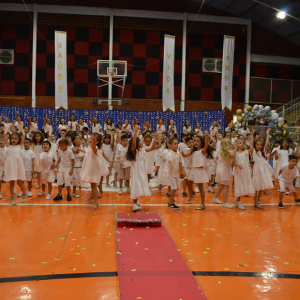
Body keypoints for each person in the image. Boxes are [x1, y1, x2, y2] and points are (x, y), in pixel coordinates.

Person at [127, 127, 158, 212]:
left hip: (142, 171)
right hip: (136, 171)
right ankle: (135, 204)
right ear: (137, 144)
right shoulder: (134, 151)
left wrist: (155, 139)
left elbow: (152, 148)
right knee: (135, 185)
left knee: (140, 185)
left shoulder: (142, 150)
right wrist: (135, 132)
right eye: (140, 141)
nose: (142, 142)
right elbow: (133, 144)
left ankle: (136, 202)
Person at [80, 134, 109, 210]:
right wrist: (80, 150)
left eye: (93, 139)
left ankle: (96, 203)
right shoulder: (90, 147)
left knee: (94, 185)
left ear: (97, 142)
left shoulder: (95, 147)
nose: (91, 139)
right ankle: (93, 198)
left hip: (94, 169)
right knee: (92, 185)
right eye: (90, 138)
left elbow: (93, 149)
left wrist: (92, 141)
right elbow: (88, 152)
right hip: (91, 168)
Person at [3, 121, 27, 204]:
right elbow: (4, 135)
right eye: (12, 138)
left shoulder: (20, 146)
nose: (14, 140)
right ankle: (12, 199)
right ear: (10, 139)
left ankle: (24, 194)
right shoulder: (8, 146)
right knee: (11, 183)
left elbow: (23, 135)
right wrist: (8, 128)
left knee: (20, 182)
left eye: (16, 138)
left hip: (18, 165)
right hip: (10, 165)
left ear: (18, 140)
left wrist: (20, 128)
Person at [232, 129, 255, 210]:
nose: (241, 144)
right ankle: (238, 201)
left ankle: (237, 199)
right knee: (239, 185)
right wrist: (235, 146)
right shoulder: (236, 153)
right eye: (240, 143)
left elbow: (251, 149)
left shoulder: (245, 152)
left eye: (242, 143)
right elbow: (232, 161)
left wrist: (250, 140)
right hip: (238, 171)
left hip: (245, 171)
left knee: (244, 185)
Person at [212, 138, 239, 208]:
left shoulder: (219, 150)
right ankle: (225, 202)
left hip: (219, 168)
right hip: (224, 169)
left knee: (222, 185)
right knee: (226, 187)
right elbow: (234, 155)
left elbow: (216, 159)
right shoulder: (228, 151)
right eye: (230, 143)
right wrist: (236, 146)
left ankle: (215, 197)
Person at [252, 128, 273, 209]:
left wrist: (267, 134)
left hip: (263, 170)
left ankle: (258, 198)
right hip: (257, 170)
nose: (259, 146)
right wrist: (252, 135)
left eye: (260, 145)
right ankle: (256, 201)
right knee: (256, 186)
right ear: (255, 145)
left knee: (261, 186)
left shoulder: (262, 152)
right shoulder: (254, 152)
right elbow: (251, 143)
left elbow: (267, 143)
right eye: (257, 145)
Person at [164, 137, 185, 209]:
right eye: (174, 144)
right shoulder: (169, 154)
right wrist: (173, 167)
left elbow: (180, 162)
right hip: (170, 174)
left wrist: (183, 170)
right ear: (170, 145)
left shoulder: (178, 153)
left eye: (177, 144)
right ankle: (171, 204)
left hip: (176, 174)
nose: (176, 145)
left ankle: (168, 194)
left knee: (177, 188)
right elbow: (171, 162)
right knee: (174, 187)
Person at [0, 134, 7, 199]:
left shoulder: (7, 149)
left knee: (10, 179)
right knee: (0, 180)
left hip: (7, 166)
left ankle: (12, 188)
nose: (1, 141)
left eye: (2, 140)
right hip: (0, 166)